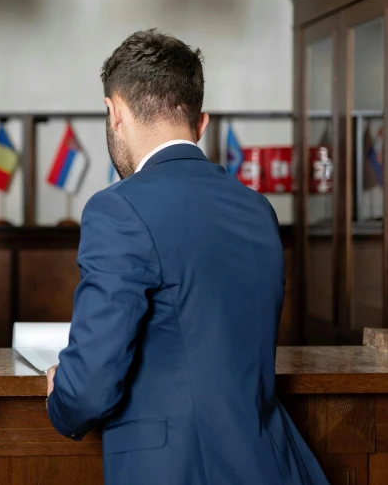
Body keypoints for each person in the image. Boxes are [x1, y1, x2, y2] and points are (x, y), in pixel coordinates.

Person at [45, 30, 328, 484]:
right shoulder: (258, 210)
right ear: (201, 123)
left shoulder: (116, 208)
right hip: (273, 464)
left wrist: (59, 396)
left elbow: (87, 391)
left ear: (114, 112)